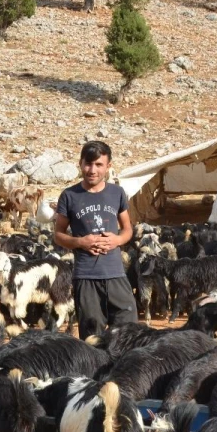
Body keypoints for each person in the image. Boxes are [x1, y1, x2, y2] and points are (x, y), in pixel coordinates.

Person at [54, 140, 138, 339]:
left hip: (116, 274)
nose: (92, 170)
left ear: (108, 166)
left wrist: (117, 240)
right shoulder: (69, 196)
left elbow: (127, 229)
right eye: (88, 164)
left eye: (99, 164)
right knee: (93, 337)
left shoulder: (117, 193)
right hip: (86, 276)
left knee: (128, 332)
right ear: (80, 163)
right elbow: (58, 235)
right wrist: (81, 242)